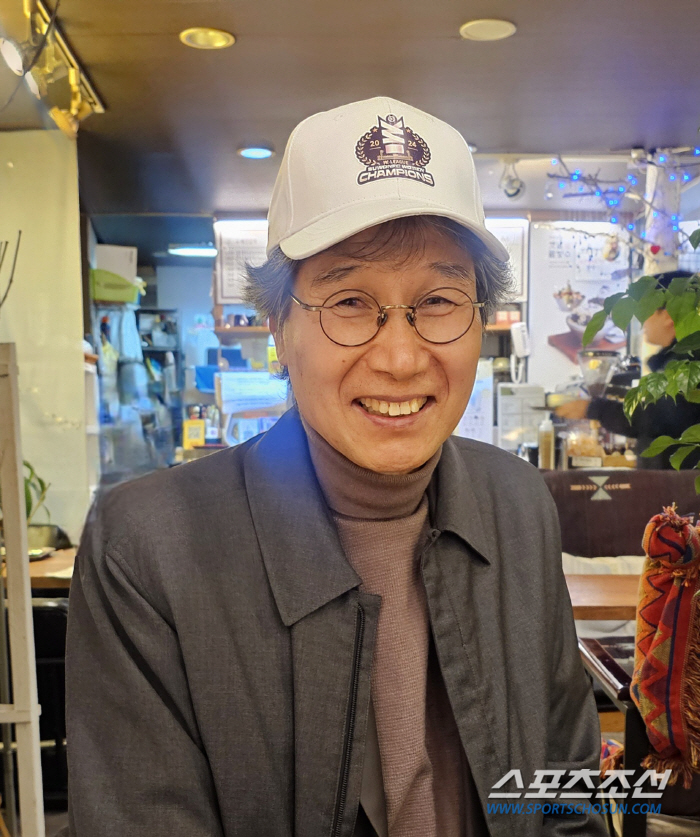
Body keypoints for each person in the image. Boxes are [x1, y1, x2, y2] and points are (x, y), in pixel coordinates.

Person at [65, 98, 606, 837]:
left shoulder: (516, 504)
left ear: (480, 320)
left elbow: (567, 799)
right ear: (279, 328)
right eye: (350, 301)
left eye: (439, 300)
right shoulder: (150, 550)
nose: (401, 357)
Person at [557, 270, 700, 468]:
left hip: (682, 485)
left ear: (668, 316)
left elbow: (655, 418)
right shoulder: (679, 359)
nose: (642, 322)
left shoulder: (689, 363)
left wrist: (593, 409)